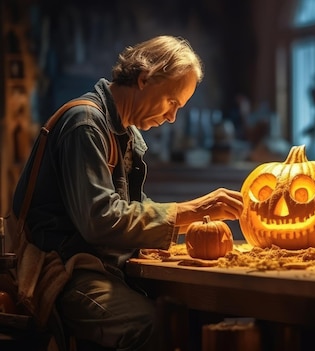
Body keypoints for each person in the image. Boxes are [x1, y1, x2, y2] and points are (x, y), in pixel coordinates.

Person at [11, 35, 243, 350]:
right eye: (172, 102)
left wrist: (175, 223)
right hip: (63, 272)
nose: (172, 117)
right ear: (145, 78)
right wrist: (194, 211)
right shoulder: (87, 124)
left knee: (194, 315)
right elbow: (100, 219)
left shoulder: (125, 131)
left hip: (102, 266)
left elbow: (130, 205)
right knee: (153, 327)